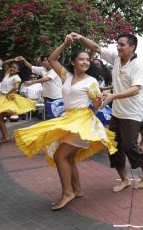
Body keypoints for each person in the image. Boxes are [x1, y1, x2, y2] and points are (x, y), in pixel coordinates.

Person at [14, 37, 117, 210]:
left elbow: (96, 105)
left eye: (87, 60)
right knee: (68, 158)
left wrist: (99, 100)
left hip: (82, 122)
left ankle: (67, 193)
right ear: (73, 62)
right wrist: (65, 44)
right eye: (81, 59)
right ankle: (76, 190)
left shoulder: (91, 81)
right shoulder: (66, 76)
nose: (85, 62)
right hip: (69, 119)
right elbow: (52, 59)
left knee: (60, 156)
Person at [69, 32, 143, 192]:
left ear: (132, 47)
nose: (118, 47)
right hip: (117, 111)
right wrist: (80, 37)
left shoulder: (137, 65)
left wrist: (113, 95)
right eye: (118, 44)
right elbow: (96, 47)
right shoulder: (115, 58)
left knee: (129, 146)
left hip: (132, 112)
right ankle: (124, 179)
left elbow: (135, 90)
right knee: (113, 146)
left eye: (122, 45)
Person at [0, 59, 35, 142]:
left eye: (15, 68)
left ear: (18, 71)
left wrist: (7, 94)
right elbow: (5, 63)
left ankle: (6, 136)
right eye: (12, 67)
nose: (12, 69)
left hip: (8, 98)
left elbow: (16, 88)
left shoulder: (16, 77)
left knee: (0, 119)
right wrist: (14, 59)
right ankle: (5, 136)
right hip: (2, 98)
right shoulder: (7, 73)